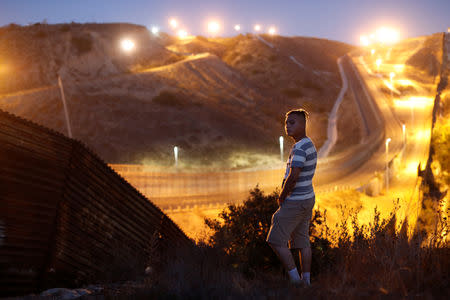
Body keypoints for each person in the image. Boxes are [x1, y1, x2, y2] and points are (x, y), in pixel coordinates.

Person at [266, 108, 317, 286]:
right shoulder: (309, 144)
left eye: (292, 122)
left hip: (296, 201)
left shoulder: (300, 147)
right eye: (286, 122)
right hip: (307, 198)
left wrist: (282, 195)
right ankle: (307, 282)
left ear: (303, 125)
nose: (287, 126)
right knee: (303, 241)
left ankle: (296, 282)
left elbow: (294, 175)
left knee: (275, 240)